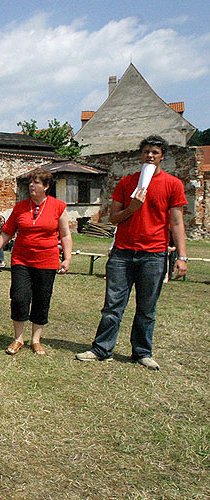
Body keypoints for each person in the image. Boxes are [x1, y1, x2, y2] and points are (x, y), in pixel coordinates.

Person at [77, 135, 188, 370]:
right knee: (113, 305)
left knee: (147, 308)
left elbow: (177, 223)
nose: (150, 155)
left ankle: (142, 352)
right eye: (146, 151)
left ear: (162, 156)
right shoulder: (127, 182)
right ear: (141, 155)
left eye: (155, 152)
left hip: (154, 254)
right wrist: (132, 208)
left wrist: (181, 257)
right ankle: (102, 349)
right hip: (123, 253)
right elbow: (112, 218)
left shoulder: (173, 184)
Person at [0, 168, 72, 356]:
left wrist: (67, 258)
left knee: (42, 299)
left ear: (46, 186)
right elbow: (7, 232)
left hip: (47, 261)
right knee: (19, 297)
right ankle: (18, 339)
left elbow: (65, 234)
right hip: (21, 259)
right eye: (30, 182)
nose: (32, 185)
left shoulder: (59, 206)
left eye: (37, 182)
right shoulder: (20, 207)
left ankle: (36, 340)